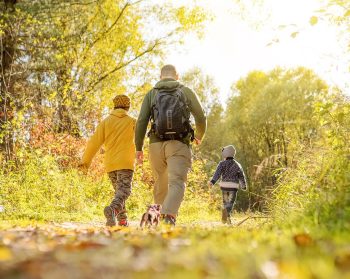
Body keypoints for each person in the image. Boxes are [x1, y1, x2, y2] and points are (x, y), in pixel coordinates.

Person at [135, 64, 206, 226]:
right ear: (177, 76)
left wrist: (138, 147)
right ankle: (168, 215)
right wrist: (199, 136)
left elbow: (141, 122)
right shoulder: (186, 91)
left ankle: (154, 215)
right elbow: (201, 118)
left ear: (160, 76)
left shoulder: (152, 93)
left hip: (155, 144)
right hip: (179, 143)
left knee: (160, 182)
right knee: (177, 182)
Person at [79, 95, 135, 227]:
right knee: (124, 191)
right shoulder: (133, 121)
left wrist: (85, 163)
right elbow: (141, 139)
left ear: (114, 106)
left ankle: (122, 220)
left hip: (110, 164)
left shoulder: (105, 122)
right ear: (128, 106)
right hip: (126, 162)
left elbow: (93, 143)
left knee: (119, 193)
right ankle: (113, 210)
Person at [208, 145, 247, 224]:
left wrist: (212, 182)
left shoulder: (222, 164)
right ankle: (227, 214)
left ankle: (227, 216)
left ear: (225, 154)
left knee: (225, 202)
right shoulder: (237, 165)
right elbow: (241, 176)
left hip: (224, 186)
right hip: (233, 187)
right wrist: (243, 185)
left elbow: (217, 174)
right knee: (231, 202)